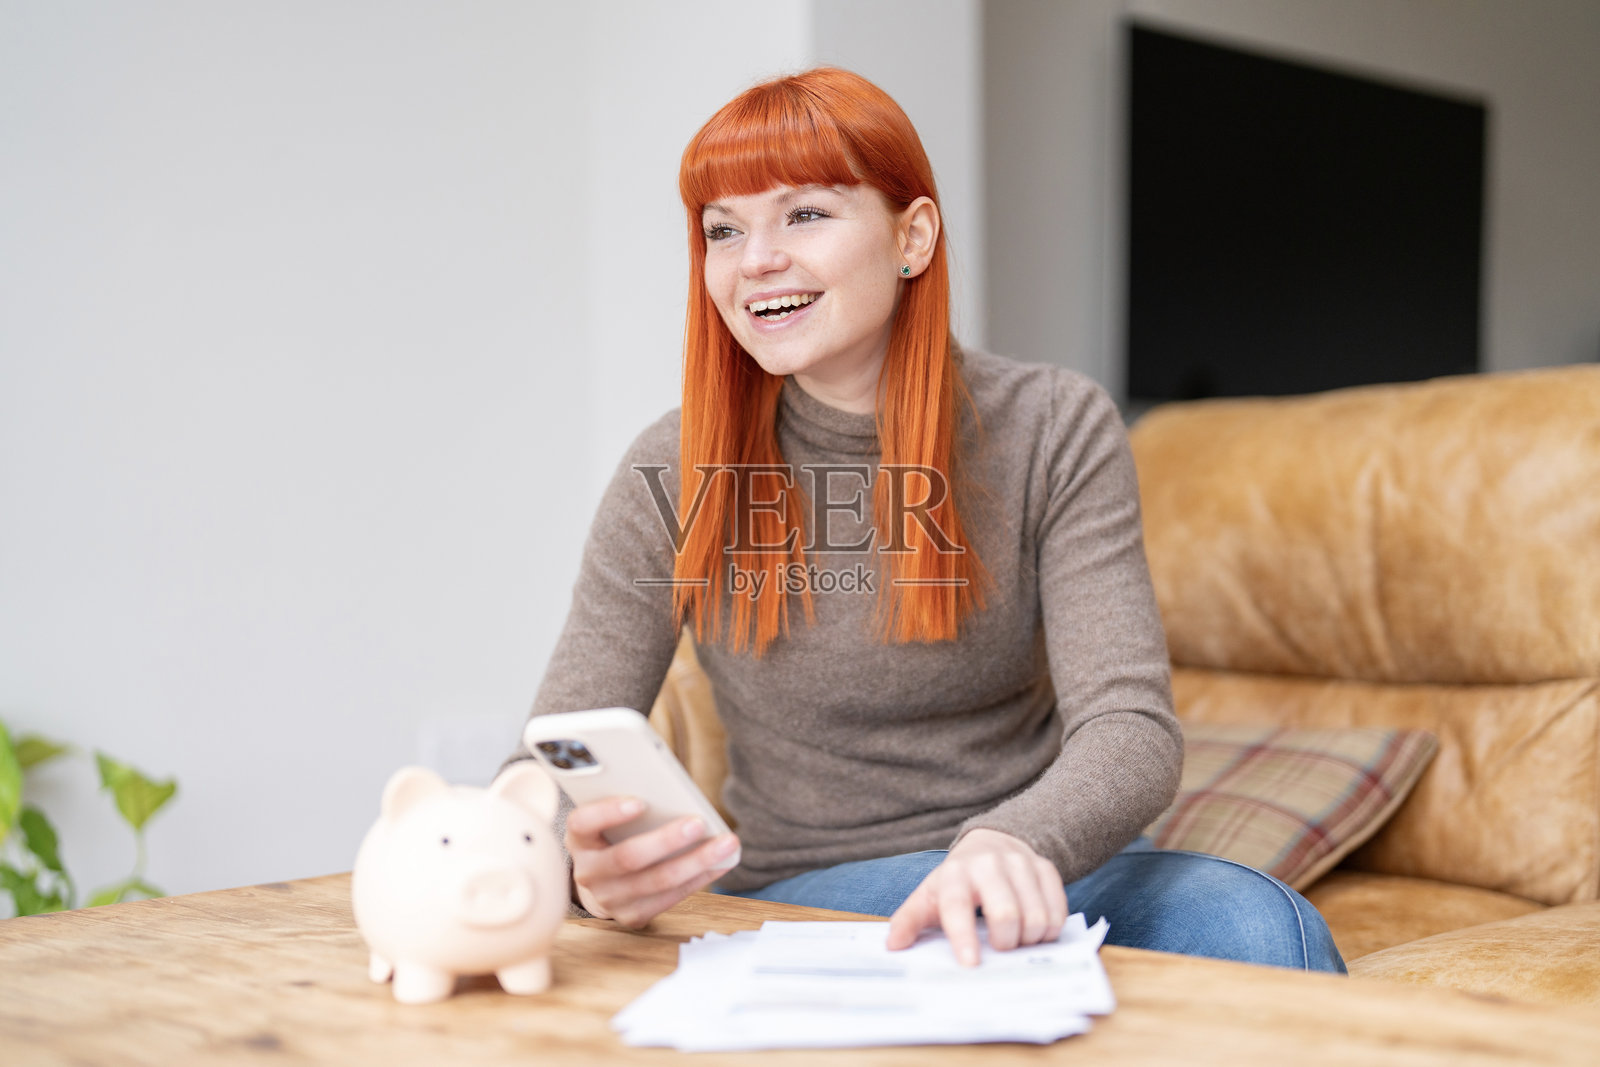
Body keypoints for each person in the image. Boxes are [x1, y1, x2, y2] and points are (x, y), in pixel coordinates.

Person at [512, 67, 1344, 973]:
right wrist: (575, 859)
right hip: (813, 892)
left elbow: (1131, 728)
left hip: (1031, 867)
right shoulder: (672, 467)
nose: (755, 260)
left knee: (1257, 923)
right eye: (724, 229)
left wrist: (1012, 841)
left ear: (912, 236)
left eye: (804, 214)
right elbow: (555, 752)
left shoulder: (1053, 426)